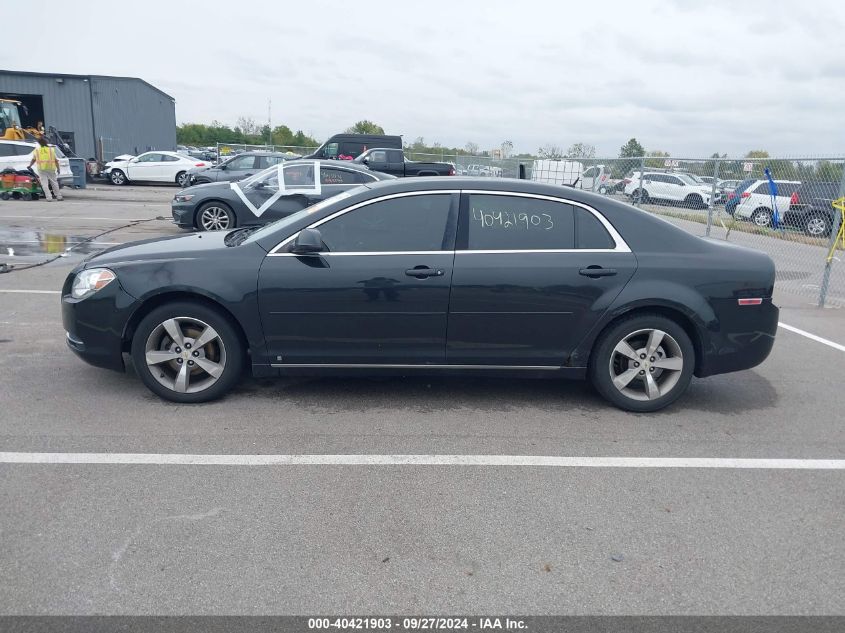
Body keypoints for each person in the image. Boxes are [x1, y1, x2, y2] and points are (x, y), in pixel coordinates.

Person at [28, 137, 63, 201]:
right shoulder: (51, 150)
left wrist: (30, 165)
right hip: (51, 168)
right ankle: (59, 196)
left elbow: (33, 160)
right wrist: (58, 169)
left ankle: (49, 198)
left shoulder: (37, 150)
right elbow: (56, 160)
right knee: (54, 182)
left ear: (39, 143)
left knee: (44, 183)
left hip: (41, 169)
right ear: (46, 142)